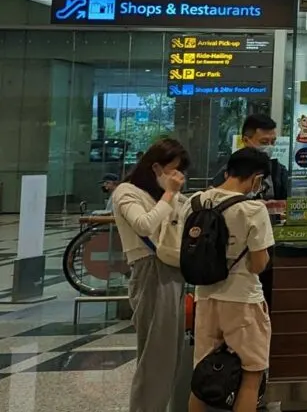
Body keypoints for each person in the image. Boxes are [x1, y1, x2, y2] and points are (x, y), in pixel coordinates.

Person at [189, 148, 275, 412]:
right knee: (251, 376)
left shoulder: (195, 201)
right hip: (243, 301)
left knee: (202, 377)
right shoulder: (253, 210)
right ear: (257, 179)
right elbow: (259, 264)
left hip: (205, 297)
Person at [111, 138, 191, 412]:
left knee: (171, 353)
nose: (178, 177)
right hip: (149, 270)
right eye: (173, 170)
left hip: (173, 270)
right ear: (155, 167)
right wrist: (169, 194)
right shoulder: (127, 192)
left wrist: (172, 196)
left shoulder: (162, 195)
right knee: (155, 355)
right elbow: (144, 225)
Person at [213, 114, 288, 201]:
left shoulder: (279, 172)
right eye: (264, 142)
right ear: (246, 140)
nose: (270, 147)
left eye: (273, 142)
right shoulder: (230, 171)